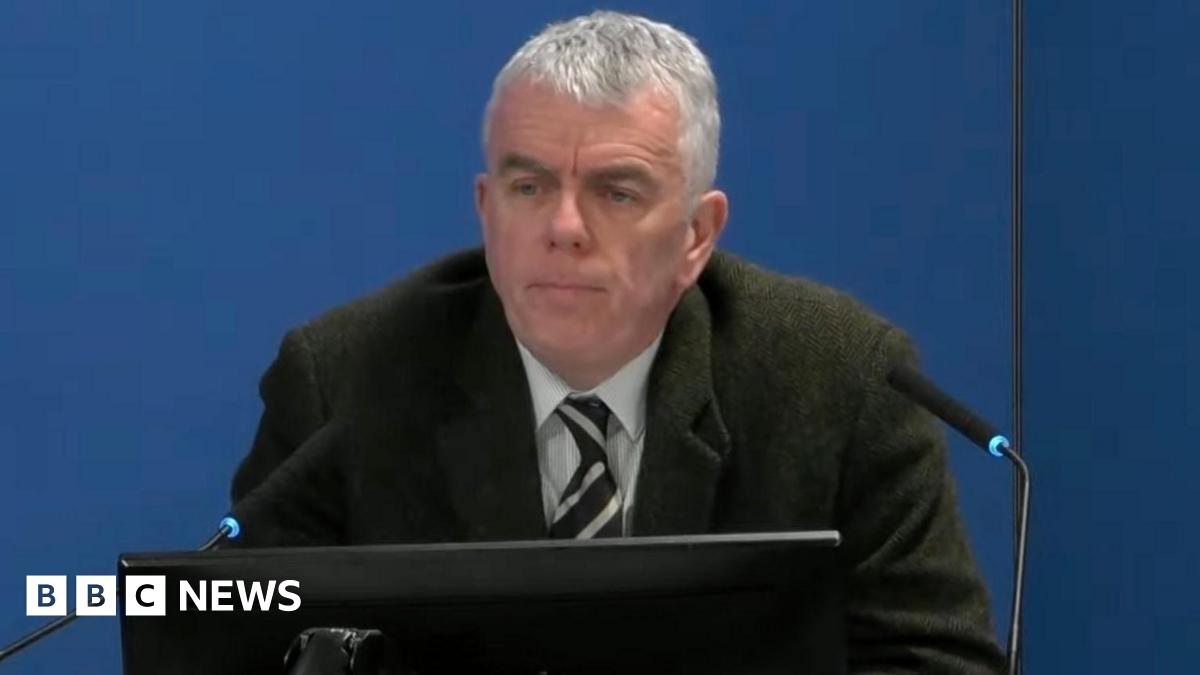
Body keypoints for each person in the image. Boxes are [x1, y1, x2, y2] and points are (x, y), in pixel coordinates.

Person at [230, 10, 1005, 673]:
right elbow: (242, 647)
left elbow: (935, 662)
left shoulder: (844, 383)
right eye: (528, 187)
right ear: (486, 209)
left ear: (697, 234)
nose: (564, 227)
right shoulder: (343, 382)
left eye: (616, 191)